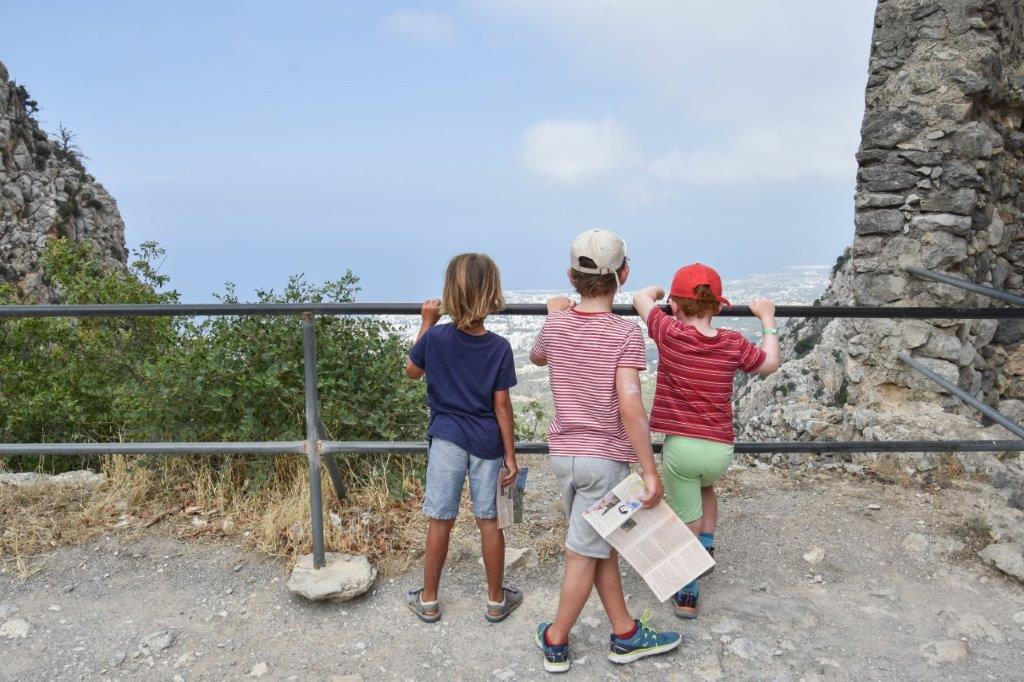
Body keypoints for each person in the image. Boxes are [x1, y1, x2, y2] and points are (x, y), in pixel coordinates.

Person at [531, 229, 680, 673]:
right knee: (584, 551)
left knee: (599, 546)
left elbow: (539, 357)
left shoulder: (556, 324)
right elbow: (631, 407)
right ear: (625, 275)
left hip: (564, 456)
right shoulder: (624, 334)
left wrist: (555, 311)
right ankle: (556, 641)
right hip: (604, 460)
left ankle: (626, 633)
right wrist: (649, 471)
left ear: (570, 276)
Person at [633, 263, 780, 619]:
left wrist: (659, 298)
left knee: (686, 517)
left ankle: (688, 589)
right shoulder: (732, 342)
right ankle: (707, 546)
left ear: (677, 306)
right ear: (717, 306)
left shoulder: (669, 332)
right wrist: (767, 318)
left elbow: (640, 297)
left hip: (682, 449)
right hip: (719, 450)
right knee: (705, 488)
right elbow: (771, 363)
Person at [404, 253, 523, 624]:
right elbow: (502, 406)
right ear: (492, 295)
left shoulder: (437, 337)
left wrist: (426, 321)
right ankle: (495, 600)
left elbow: (411, 371)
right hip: (488, 442)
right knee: (490, 521)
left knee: (440, 519)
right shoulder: (499, 347)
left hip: (447, 438)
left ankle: (428, 600)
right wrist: (511, 456)